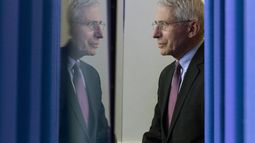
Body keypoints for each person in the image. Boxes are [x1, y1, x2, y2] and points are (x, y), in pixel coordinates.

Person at [142, 0, 204, 143]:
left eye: (163, 25)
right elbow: (156, 135)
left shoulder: (218, 74)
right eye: (155, 24)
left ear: (192, 28)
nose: (155, 34)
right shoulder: (166, 75)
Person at [59, 0, 110, 143]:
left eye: (101, 25)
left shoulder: (92, 76)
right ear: (74, 27)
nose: (100, 34)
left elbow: (102, 133)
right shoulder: (52, 70)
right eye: (92, 25)